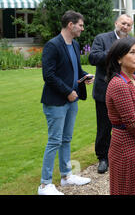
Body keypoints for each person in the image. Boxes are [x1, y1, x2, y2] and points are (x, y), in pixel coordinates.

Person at [38, 11, 93, 195]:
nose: (82, 28)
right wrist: (67, 91)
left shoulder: (75, 45)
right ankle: (45, 185)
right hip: (56, 101)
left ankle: (66, 176)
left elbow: (74, 69)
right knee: (54, 140)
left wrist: (84, 76)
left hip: (72, 100)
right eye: (80, 25)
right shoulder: (53, 46)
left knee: (66, 139)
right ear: (71, 25)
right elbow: (49, 75)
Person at [89, 14, 135, 174]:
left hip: (128, 89)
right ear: (116, 23)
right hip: (104, 89)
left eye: (128, 24)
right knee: (104, 126)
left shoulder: (134, 42)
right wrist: (115, 53)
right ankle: (103, 157)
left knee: (129, 122)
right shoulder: (102, 38)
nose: (125, 27)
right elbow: (93, 57)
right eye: (123, 23)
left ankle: (127, 154)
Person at [105, 37, 135, 195]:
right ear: (119, 58)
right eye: (132, 52)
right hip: (126, 146)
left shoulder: (134, 78)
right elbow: (130, 122)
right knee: (128, 189)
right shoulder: (118, 84)